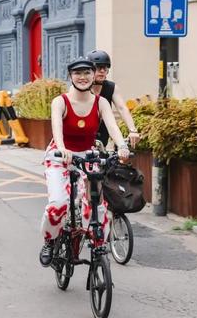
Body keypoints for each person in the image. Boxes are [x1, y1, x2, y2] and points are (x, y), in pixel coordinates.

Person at [39, 57, 130, 267]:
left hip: (87, 156)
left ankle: (99, 246)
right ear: (70, 76)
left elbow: (113, 127)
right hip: (60, 155)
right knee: (59, 205)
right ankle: (50, 240)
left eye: (87, 72)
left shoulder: (101, 102)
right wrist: (62, 148)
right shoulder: (60, 101)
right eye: (77, 73)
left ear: (93, 75)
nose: (83, 77)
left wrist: (122, 146)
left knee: (97, 205)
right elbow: (56, 128)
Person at [86, 50, 141, 149]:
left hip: (102, 136)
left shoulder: (111, 87)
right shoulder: (82, 88)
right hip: (82, 134)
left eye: (105, 68)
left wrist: (133, 130)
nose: (102, 71)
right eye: (98, 67)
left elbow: (122, 108)